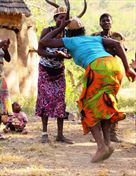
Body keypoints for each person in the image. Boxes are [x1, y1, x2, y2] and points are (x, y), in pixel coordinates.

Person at [38, 15, 136, 163]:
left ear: (68, 32)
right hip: (115, 67)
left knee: (86, 108)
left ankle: (101, 146)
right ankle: (108, 144)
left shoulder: (69, 40)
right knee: (106, 104)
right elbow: (117, 44)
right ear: (83, 29)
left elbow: (43, 42)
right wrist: (128, 68)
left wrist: (59, 28)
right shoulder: (94, 38)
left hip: (97, 68)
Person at [36, 7, 73, 144]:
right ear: (55, 19)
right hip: (45, 70)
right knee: (44, 100)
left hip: (59, 71)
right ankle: (44, 133)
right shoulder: (48, 31)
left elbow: (71, 54)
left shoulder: (68, 36)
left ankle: (60, 135)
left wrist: (64, 56)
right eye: (60, 17)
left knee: (60, 101)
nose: (62, 20)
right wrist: (52, 55)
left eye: (65, 18)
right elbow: (40, 49)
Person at [91, 13, 127, 142]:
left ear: (112, 22)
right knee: (97, 103)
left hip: (112, 73)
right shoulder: (95, 36)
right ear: (100, 23)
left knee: (112, 102)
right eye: (103, 20)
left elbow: (123, 51)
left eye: (108, 20)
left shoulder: (118, 36)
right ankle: (100, 134)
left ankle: (113, 132)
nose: (106, 22)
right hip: (97, 74)